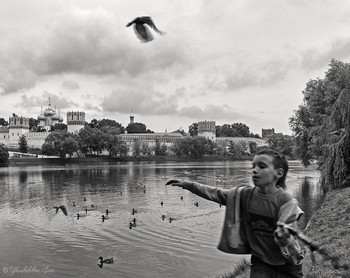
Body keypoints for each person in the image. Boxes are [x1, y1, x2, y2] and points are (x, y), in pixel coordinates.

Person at [166, 149, 304, 278]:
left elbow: (287, 233)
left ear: (278, 173)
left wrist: (282, 235)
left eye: (261, 166)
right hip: (260, 262)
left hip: (288, 263)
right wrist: (190, 185)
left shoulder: (287, 201)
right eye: (253, 166)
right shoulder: (244, 195)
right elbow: (216, 193)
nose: (254, 170)